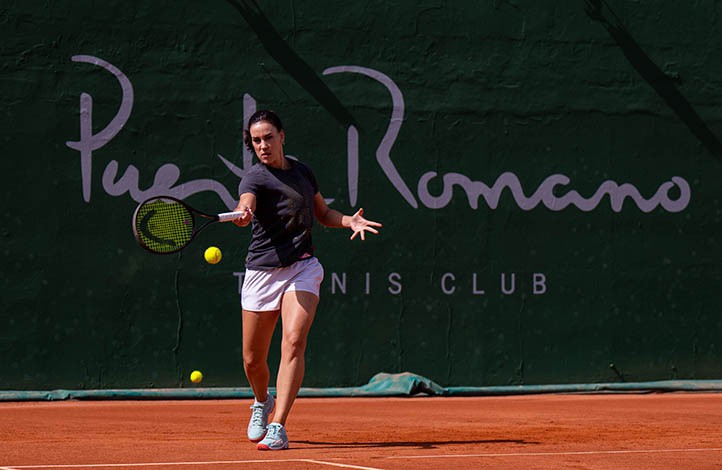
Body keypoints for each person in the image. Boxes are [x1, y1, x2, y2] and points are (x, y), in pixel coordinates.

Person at [232, 110, 382, 451]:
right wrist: (244, 213)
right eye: (256, 141)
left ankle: (278, 425)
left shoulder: (302, 172)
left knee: (294, 341)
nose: (263, 145)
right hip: (262, 272)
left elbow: (324, 214)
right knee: (253, 361)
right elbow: (246, 202)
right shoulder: (253, 180)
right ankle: (261, 401)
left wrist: (348, 222)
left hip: (302, 267)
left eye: (269, 137)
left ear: (282, 136)